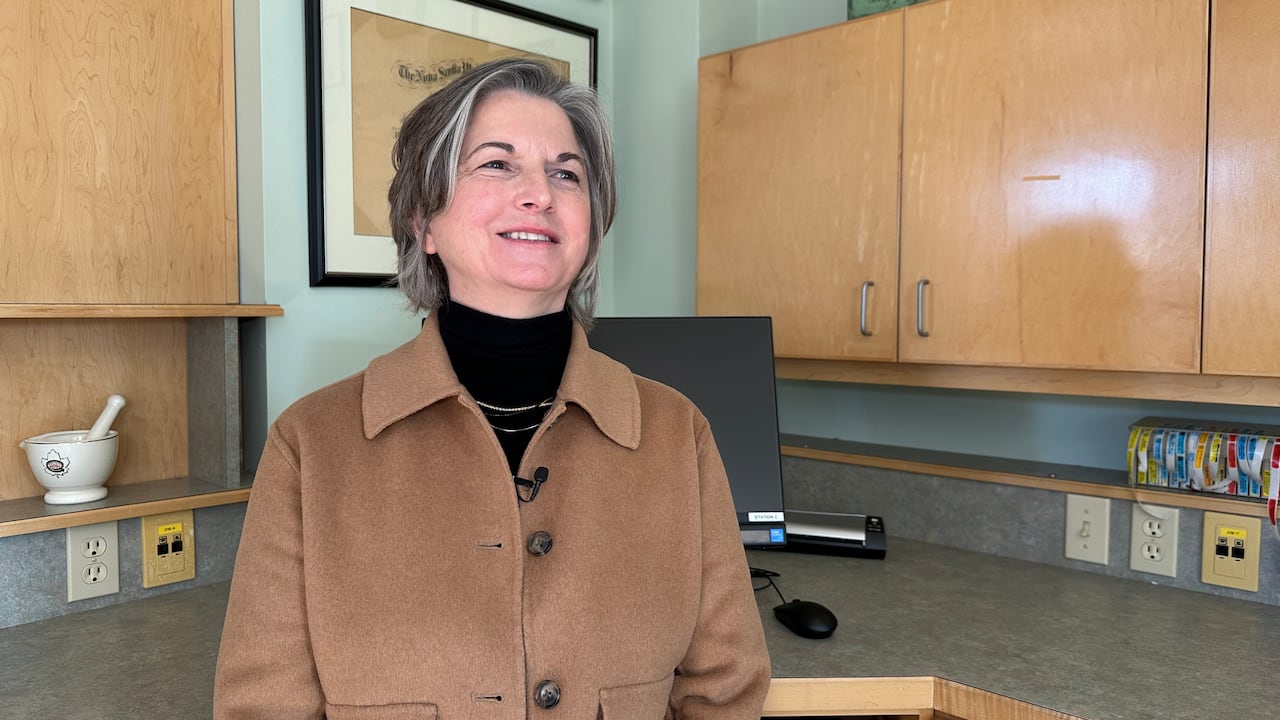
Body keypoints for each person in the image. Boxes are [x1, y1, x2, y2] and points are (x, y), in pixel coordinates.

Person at [213, 57, 770, 718]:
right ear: (423, 222)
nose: (539, 194)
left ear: (591, 227)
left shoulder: (677, 434)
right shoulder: (310, 446)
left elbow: (724, 690)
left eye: (566, 173)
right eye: (498, 164)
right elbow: (264, 706)